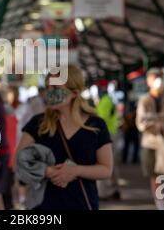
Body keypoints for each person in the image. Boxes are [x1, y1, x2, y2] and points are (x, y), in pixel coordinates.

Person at [16, 65, 113, 210]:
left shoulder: (96, 125)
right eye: (47, 87)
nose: (49, 92)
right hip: (43, 207)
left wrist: (75, 171)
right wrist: (46, 171)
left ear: (74, 92)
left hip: (82, 204)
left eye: (55, 88)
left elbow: (106, 169)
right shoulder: (38, 123)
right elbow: (18, 160)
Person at [136, 68, 164, 210]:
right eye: (154, 78)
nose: (157, 80)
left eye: (159, 77)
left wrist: (153, 118)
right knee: (154, 176)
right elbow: (141, 123)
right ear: (148, 81)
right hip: (151, 143)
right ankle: (161, 207)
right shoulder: (144, 100)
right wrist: (163, 121)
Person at [95, 79, 121, 200]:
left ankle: (105, 192)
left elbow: (100, 120)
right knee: (111, 164)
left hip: (107, 135)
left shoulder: (105, 101)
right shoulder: (107, 100)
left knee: (104, 163)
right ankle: (114, 189)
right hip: (111, 134)